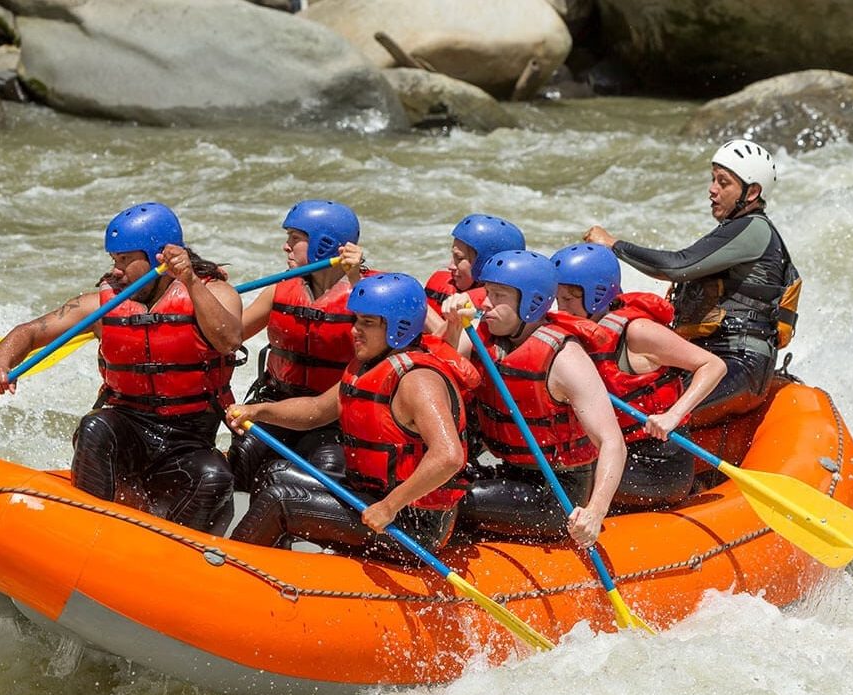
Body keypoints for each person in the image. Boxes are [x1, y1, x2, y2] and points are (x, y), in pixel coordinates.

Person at [0, 202, 243, 534]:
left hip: (188, 438)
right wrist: (0, 365)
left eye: (124, 260)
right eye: (113, 260)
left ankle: (173, 563)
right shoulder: (103, 306)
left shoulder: (214, 292)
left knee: (216, 477)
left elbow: (229, 339)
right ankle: (83, 534)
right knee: (95, 427)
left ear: (159, 257)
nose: (116, 271)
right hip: (127, 430)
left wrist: (189, 280)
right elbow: (29, 332)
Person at [226, 273, 480, 564]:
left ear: (401, 327)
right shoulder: (368, 365)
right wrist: (258, 412)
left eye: (367, 323)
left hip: (414, 521)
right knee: (275, 473)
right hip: (370, 496)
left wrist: (390, 506)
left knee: (281, 500)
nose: (355, 331)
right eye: (356, 320)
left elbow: (449, 456)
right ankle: (271, 568)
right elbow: (317, 410)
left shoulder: (417, 381)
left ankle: (231, 570)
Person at [583, 139, 800, 423]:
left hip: (739, 363)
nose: (712, 189)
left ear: (752, 192)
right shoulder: (734, 229)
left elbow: (677, 266)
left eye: (723, 182)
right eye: (713, 179)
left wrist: (613, 244)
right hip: (709, 356)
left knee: (645, 405)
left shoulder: (754, 229)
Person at [441, 250, 626, 547]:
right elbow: (443, 369)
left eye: (498, 296)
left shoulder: (565, 358)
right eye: (487, 292)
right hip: (506, 468)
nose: (485, 304)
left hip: (555, 493)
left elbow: (612, 442)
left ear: (532, 304)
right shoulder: (482, 332)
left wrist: (595, 512)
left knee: (445, 502)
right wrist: (452, 323)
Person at [551, 242, 726, 509]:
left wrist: (673, 416)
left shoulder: (637, 332)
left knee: (573, 479)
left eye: (568, 299)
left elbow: (713, 366)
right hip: (612, 453)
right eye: (557, 298)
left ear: (596, 295)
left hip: (658, 464)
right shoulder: (573, 333)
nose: (561, 308)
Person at [229, 200, 367, 493]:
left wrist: (356, 276)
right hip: (278, 404)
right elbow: (228, 336)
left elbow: (409, 331)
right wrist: (198, 286)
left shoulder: (368, 294)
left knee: (326, 469)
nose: (285, 246)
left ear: (324, 244)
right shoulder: (281, 288)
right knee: (244, 453)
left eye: (294, 238)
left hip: (335, 420)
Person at [423, 214, 526, 324]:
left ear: (485, 264)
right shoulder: (443, 280)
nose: (450, 266)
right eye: (453, 256)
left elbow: (455, 340)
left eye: (459, 258)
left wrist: (420, 308)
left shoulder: (496, 306)